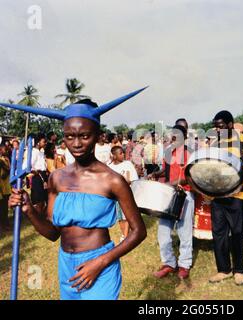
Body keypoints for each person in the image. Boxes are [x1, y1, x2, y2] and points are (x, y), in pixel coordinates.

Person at [4, 87, 148, 300]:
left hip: (99, 265)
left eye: (84, 136)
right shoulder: (57, 178)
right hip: (66, 266)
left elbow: (138, 232)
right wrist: (29, 210)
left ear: (97, 136)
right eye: (70, 137)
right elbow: (53, 233)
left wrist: (99, 263)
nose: (77, 144)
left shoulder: (112, 180)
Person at [208, 111, 243, 286]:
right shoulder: (215, 143)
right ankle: (223, 269)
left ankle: (239, 269)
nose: (217, 128)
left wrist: (234, 180)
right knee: (219, 234)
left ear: (230, 124)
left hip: (238, 194)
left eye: (220, 125)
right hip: (218, 196)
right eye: (215, 125)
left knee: (237, 232)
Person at [148, 121, 195, 280]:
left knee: (184, 231)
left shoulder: (190, 153)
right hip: (168, 194)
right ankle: (169, 263)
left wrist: (176, 183)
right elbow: (165, 170)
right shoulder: (168, 151)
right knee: (163, 231)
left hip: (184, 194)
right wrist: (157, 174)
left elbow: (192, 177)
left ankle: (184, 264)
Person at [109, 146, 139, 242]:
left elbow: (133, 180)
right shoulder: (110, 167)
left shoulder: (128, 164)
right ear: (114, 156)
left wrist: (127, 182)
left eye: (123, 153)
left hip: (127, 194)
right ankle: (124, 234)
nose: (123, 155)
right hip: (115, 196)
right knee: (120, 217)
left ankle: (125, 237)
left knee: (126, 216)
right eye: (120, 153)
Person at [29, 134, 48, 214]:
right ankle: (38, 218)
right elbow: (29, 166)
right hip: (37, 177)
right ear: (38, 143)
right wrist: (35, 171)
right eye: (44, 141)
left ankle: (42, 218)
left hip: (43, 176)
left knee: (44, 200)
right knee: (39, 201)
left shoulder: (41, 152)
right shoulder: (34, 152)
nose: (45, 143)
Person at [0, 144, 11, 233]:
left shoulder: (6, 159)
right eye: (4, 150)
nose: (5, 151)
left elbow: (9, 169)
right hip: (1, 187)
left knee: (4, 207)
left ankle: (5, 224)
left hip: (6, 187)